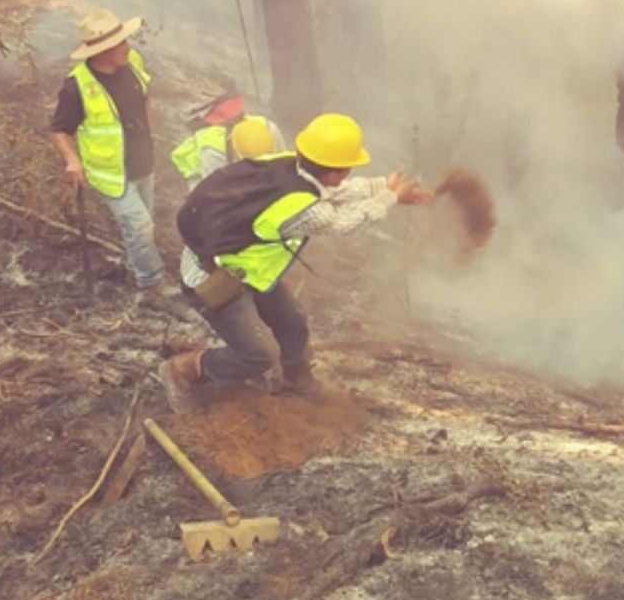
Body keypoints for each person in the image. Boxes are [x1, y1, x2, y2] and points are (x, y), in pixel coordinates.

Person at [161, 113, 433, 403]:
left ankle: (297, 381)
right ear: (338, 171)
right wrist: (389, 198)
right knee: (258, 354)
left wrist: (382, 186)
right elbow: (343, 223)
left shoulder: (289, 164)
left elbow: (330, 190)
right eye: (347, 168)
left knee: (292, 323)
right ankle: (186, 369)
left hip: (249, 269)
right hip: (215, 279)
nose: (347, 175)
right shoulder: (300, 209)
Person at [49, 8, 177, 308]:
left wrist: (150, 128)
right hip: (111, 175)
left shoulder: (132, 63)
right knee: (140, 226)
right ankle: (152, 283)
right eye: (121, 43)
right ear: (103, 51)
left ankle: (137, 268)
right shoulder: (77, 87)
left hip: (143, 164)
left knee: (142, 226)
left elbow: (145, 96)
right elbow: (59, 130)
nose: (128, 46)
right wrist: (72, 161)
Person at [170, 92, 286, 188]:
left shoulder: (270, 128)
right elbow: (216, 192)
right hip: (201, 172)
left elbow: (283, 165)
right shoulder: (212, 150)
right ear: (235, 148)